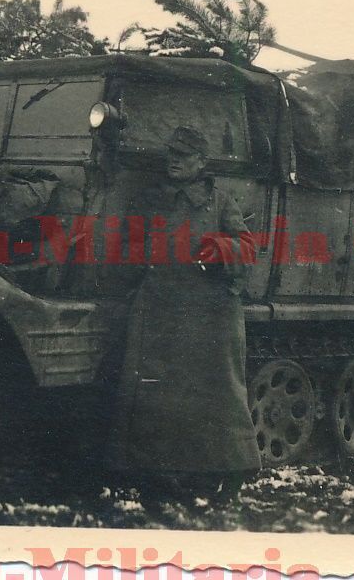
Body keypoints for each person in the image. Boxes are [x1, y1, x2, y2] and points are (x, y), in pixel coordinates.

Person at [107, 125, 262, 487]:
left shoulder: (220, 201)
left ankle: (226, 471)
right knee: (154, 394)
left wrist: (219, 251)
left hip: (209, 310)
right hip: (159, 306)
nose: (174, 162)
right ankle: (154, 472)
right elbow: (125, 247)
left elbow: (247, 247)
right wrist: (147, 258)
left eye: (183, 156)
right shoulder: (149, 199)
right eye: (171, 155)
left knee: (216, 393)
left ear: (201, 162)